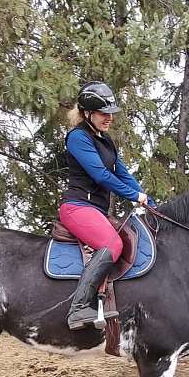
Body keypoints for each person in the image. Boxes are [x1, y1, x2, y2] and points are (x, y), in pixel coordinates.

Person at [60, 81, 155, 331]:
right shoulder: (78, 137)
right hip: (77, 207)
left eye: (111, 113)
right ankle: (79, 307)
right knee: (112, 243)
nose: (110, 118)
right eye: (104, 113)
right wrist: (134, 196)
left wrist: (145, 197)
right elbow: (101, 175)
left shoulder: (106, 140)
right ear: (88, 113)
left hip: (97, 210)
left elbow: (122, 173)